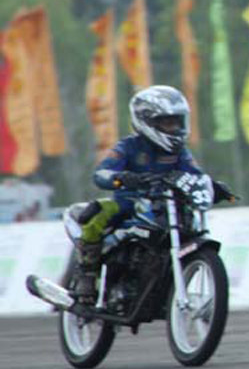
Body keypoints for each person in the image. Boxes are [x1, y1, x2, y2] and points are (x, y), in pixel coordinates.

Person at [73, 85, 232, 302]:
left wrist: (212, 186)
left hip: (168, 206)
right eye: (167, 122)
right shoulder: (128, 146)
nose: (175, 127)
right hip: (130, 204)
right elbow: (101, 173)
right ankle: (87, 274)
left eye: (177, 122)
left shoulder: (180, 152)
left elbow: (194, 173)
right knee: (98, 214)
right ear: (146, 121)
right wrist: (121, 178)